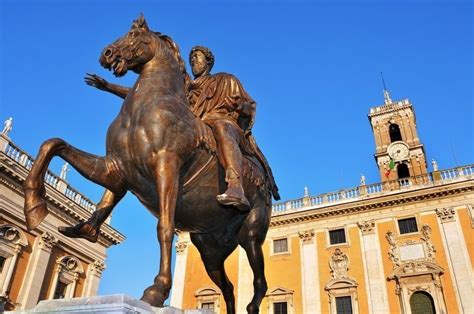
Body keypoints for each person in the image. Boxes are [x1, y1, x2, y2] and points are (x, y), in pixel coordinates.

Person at [84, 46, 279, 210]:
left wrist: (235, 106)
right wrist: (108, 86)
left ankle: (236, 186)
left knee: (221, 128)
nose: (194, 61)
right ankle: (100, 213)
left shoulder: (225, 79)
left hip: (223, 121)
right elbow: (145, 94)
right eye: (191, 58)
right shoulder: (184, 88)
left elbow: (248, 105)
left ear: (208, 62)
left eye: (198, 57)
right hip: (196, 125)